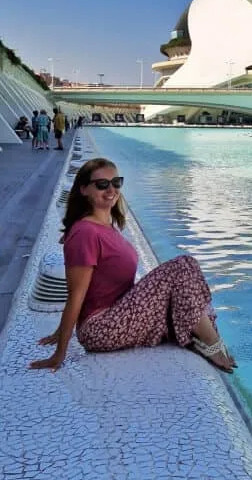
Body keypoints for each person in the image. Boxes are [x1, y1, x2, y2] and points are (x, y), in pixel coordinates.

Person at [29, 158, 236, 373]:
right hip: (101, 326)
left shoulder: (106, 226)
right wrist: (59, 352)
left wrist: (58, 332)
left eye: (116, 182)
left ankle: (204, 340)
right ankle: (213, 345)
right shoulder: (85, 233)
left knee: (187, 274)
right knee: (182, 266)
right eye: (102, 184)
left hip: (120, 313)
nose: (111, 190)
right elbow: (76, 295)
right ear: (84, 189)